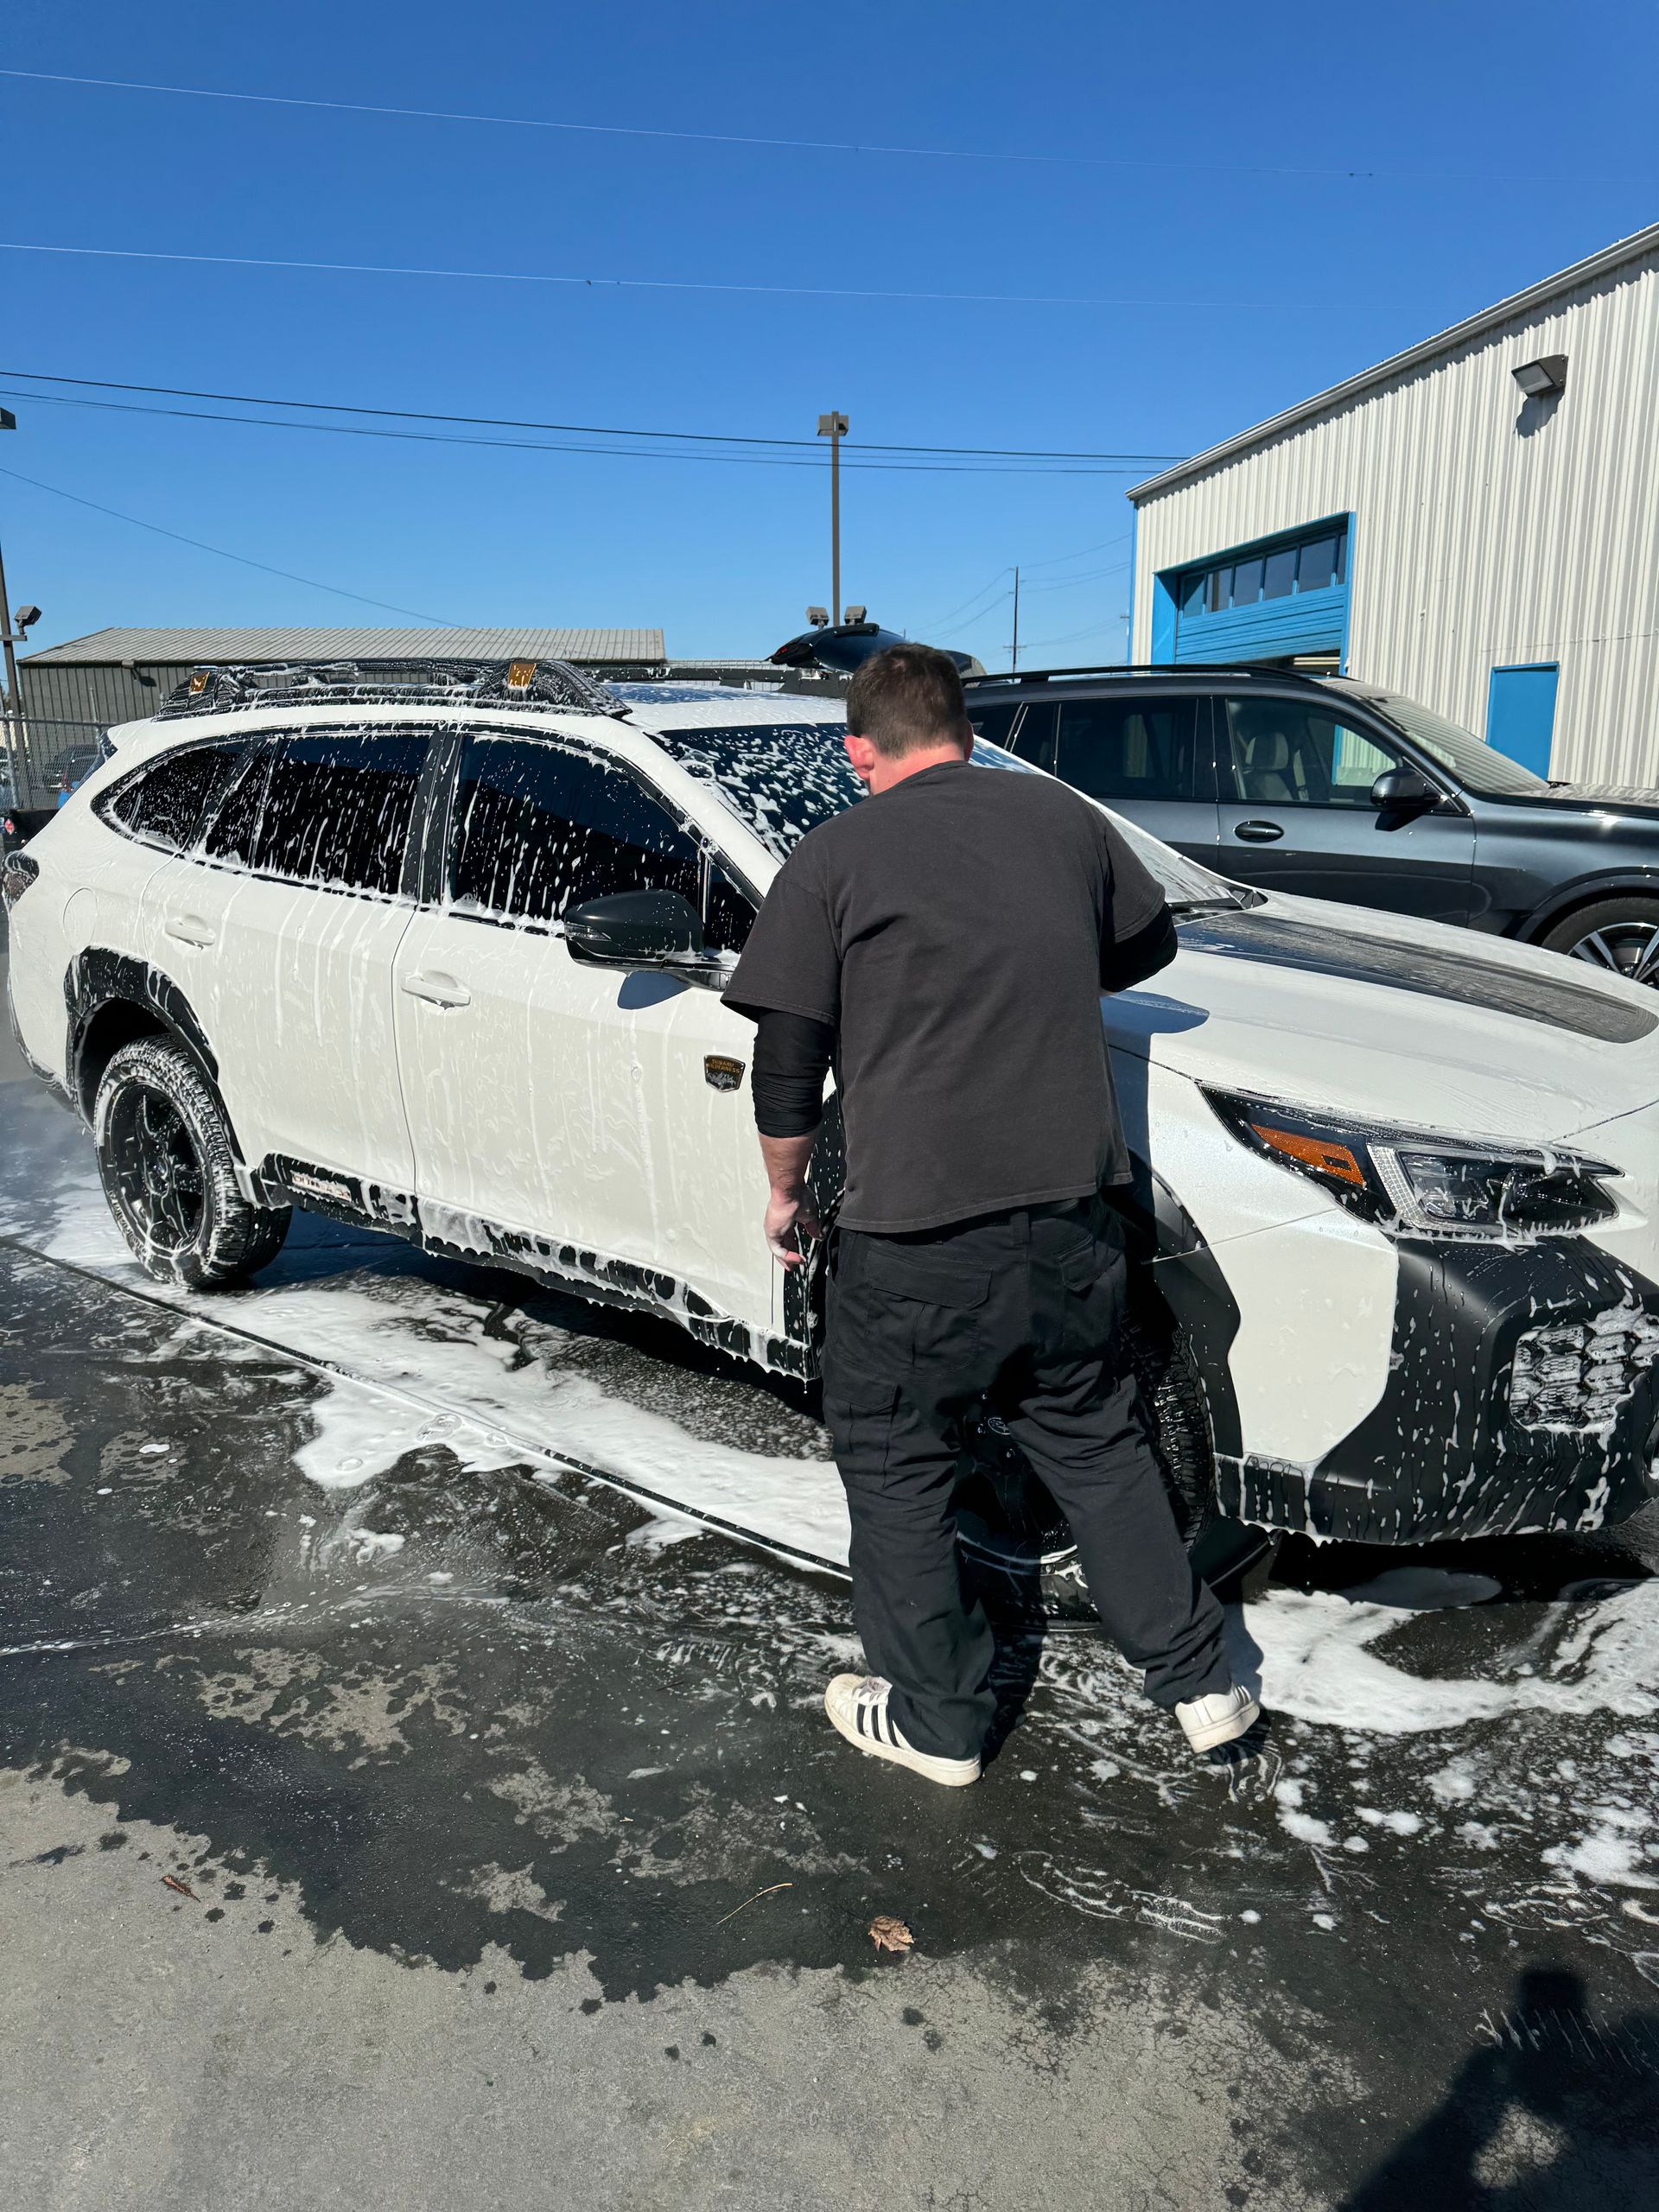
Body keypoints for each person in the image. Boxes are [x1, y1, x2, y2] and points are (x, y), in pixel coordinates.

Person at [723, 643, 1258, 1788]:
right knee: (1098, 1444)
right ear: (961, 727)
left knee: (897, 1463)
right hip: (1072, 1221)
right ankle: (1204, 1683)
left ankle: (940, 1724)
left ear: (861, 748)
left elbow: (786, 1058)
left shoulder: (837, 852)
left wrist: (782, 1187)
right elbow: (1148, 941)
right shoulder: (1062, 821)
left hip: (915, 1240)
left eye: (857, 757)